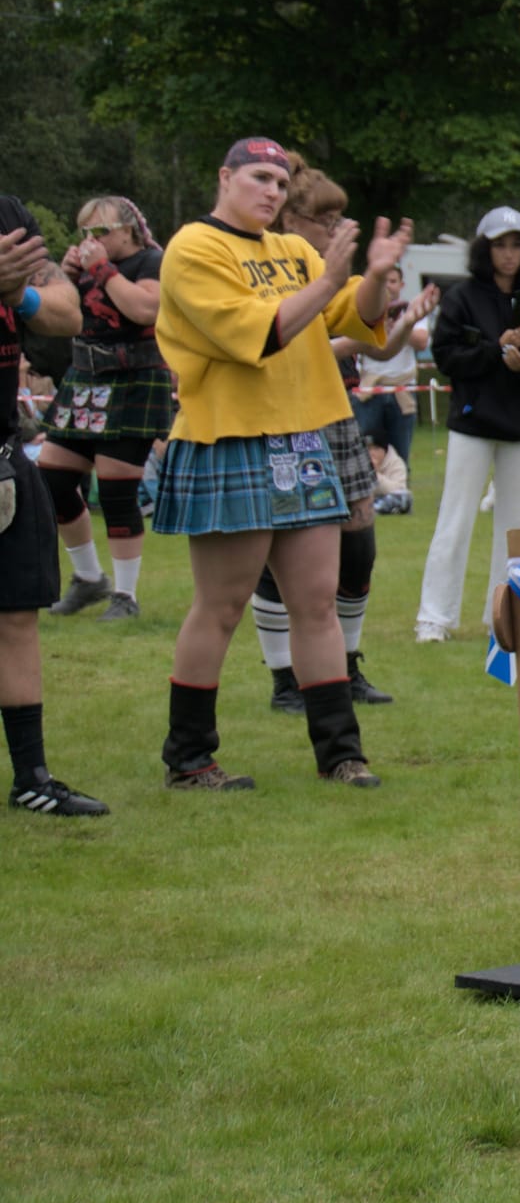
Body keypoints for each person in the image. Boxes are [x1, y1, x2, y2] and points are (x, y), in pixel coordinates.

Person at [152, 138, 406, 790]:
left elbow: (360, 317)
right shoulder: (194, 248)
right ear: (225, 177)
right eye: (258, 177)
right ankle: (188, 758)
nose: (272, 190)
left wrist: (374, 275)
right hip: (230, 435)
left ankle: (341, 753)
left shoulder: (292, 250)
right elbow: (258, 334)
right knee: (223, 604)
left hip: (303, 436)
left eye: (279, 180)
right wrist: (326, 281)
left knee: (317, 603)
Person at [247, 164, 407, 712]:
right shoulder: (263, 264)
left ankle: (348, 666)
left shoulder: (321, 267)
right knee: (278, 550)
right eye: (325, 219)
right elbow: (278, 337)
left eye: (342, 218)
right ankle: (284, 679)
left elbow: (371, 337)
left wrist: (377, 277)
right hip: (278, 414)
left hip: (333, 409)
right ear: (290, 218)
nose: (336, 228)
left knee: (359, 542)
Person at [2, 199, 109, 815]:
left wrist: (20, 297)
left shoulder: (7, 216)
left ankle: (32, 779)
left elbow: (67, 314)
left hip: (4, 454)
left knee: (16, 617)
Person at [415, 207, 520, 642]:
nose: (509, 254)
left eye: (516, 245)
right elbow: (446, 358)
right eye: (500, 245)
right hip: (473, 423)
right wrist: (496, 351)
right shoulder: (462, 298)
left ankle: (509, 613)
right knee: (455, 519)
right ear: (486, 249)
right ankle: (434, 617)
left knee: (515, 525)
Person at [38, 195, 173, 622]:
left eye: (101, 232)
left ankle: (125, 595)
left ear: (128, 230)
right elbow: (58, 314)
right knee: (52, 479)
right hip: (86, 381)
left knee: (117, 492)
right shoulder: (88, 268)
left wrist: (101, 270)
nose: (91, 241)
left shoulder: (152, 260)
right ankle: (88, 578)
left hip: (134, 380)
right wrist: (64, 274)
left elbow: (145, 308)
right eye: (86, 234)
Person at [354, 265, 437, 512]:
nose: (389, 286)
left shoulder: (413, 311)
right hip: (370, 388)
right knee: (362, 447)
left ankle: (401, 500)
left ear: (401, 285)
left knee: (401, 450)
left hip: (402, 390)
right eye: (385, 280)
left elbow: (421, 342)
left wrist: (401, 325)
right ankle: (362, 500)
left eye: (393, 281)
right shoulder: (365, 310)